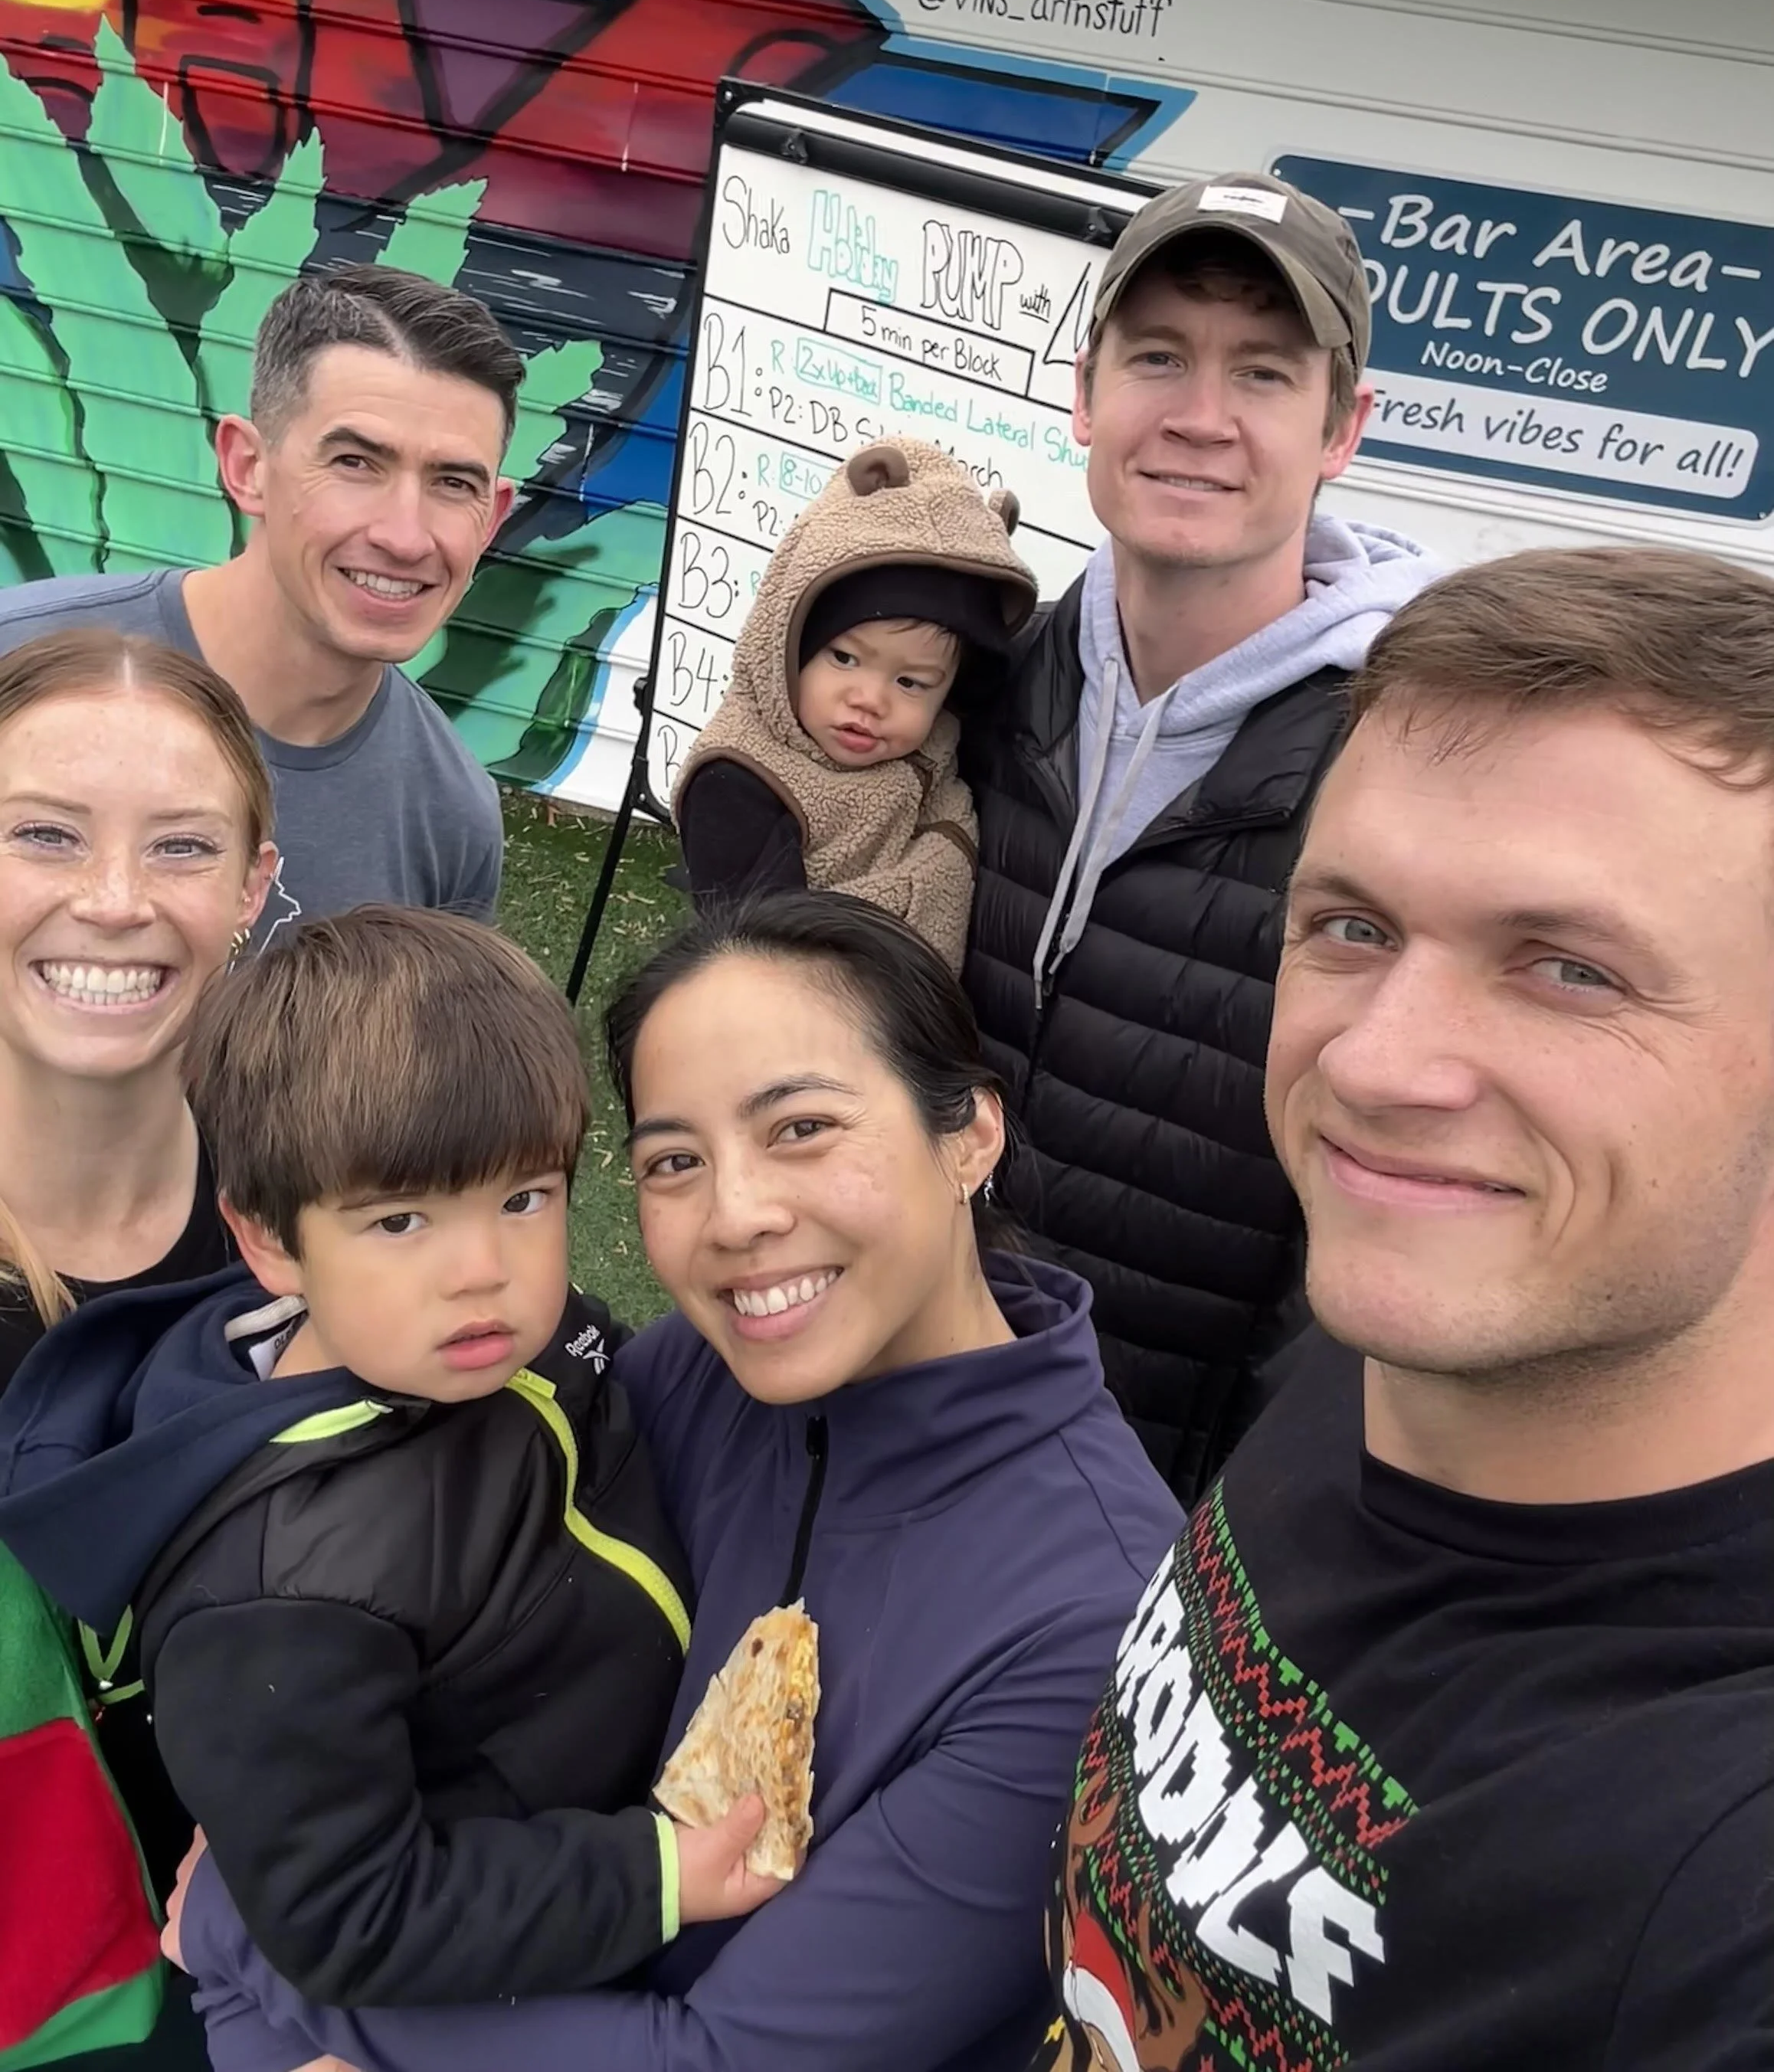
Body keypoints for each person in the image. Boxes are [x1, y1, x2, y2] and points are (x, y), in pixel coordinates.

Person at [165, 892, 1182, 2072]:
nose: (737, 1216)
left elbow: (729, 2062)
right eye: (674, 1161)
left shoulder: (1084, 1624)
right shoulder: (689, 1376)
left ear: (970, 1136)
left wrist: (253, 1935)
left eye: (801, 1127)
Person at [1037, 546, 1774, 2072]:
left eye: (1570, 968)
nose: (1372, 1065)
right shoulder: (1379, 1340)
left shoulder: (1719, 1858)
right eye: (1353, 927)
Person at [0, 905, 792, 2012]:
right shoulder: (275, 1596)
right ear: (271, 1240)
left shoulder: (471, 1344)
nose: (484, 1270)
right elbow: (352, 1917)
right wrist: (653, 1875)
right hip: (534, 1959)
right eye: (400, 1223)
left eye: (525, 1199)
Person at [960, 169, 1440, 1498]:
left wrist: (1252, 1515)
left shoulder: (1403, 761)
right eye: (1159, 356)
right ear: (1085, 393)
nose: (1201, 418)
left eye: (1266, 373)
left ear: (1344, 428)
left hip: (1176, 1514)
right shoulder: (994, 671)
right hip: (920, 1414)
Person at [0, 626, 276, 2070]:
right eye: (45, 832)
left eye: (178, 847)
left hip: (238, 2001)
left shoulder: (327, 1236)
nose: (112, 902)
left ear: (252, 887)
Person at [0, 265, 517, 948]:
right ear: (247, 467)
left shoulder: (449, 819)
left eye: (453, 483)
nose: (404, 535)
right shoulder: (19, 660)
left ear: (492, 518)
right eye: (355, 464)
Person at [673, 437, 1036, 970]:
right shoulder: (740, 781)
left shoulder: (938, 756)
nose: (869, 700)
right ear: (787, 646)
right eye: (843, 658)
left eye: (911, 683)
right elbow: (765, 960)